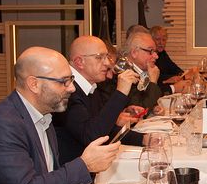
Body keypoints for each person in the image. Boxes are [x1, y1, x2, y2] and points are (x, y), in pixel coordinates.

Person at [0, 47, 120, 184]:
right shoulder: (3, 124)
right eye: (63, 82)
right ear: (34, 84)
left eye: (71, 80)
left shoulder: (44, 114)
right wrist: (85, 165)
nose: (72, 88)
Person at [53, 35, 145, 165]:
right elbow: (92, 136)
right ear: (79, 62)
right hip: (73, 173)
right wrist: (120, 93)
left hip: (88, 169)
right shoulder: (67, 91)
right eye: (99, 57)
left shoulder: (90, 87)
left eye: (106, 57)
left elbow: (107, 129)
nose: (107, 63)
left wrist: (145, 139)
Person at [121, 29, 163, 112]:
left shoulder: (141, 72)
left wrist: (154, 108)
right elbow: (140, 111)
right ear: (134, 53)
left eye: (155, 51)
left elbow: (145, 100)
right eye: (151, 51)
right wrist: (153, 82)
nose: (156, 56)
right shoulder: (124, 74)